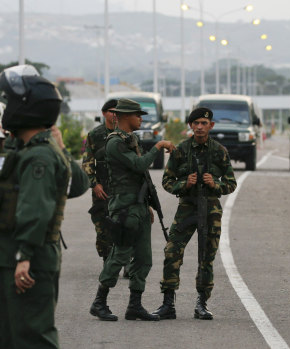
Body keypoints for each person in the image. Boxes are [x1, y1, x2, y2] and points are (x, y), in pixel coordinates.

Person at [0, 64, 87, 348]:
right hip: (2, 257)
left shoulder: (40, 156)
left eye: (11, 102)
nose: (7, 108)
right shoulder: (18, 149)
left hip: (26, 259)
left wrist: (23, 256)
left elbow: (35, 209)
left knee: (32, 338)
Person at [89, 98, 175, 322]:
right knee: (120, 255)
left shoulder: (131, 139)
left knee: (144, 258)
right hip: (124, 208)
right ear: (126, 117)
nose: (140, 119)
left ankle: (134, 305)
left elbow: (139, 176)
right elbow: (139, 165)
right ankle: (99, 302)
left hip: (137, 206)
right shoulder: (115, 142)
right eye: (138, 115)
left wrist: (147, 205)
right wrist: (158, 146)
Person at [153, 107, 237, 320]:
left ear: (211, 126)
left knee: (206, 258)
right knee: (172, 252)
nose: (200, 127)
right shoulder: (180, 150)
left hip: (210, 210)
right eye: (196, 123)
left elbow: (231, 183)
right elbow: (166, 181)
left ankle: (202, 303)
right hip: (187, 208)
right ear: (190, 126)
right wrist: (184, 184)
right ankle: (167, 303)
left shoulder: (219, 151)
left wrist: (215, 184)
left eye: (204, 123)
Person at [82, 99, 117, 261]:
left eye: (118, 111)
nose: (115, 114)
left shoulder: (126, 134)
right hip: (102, 190)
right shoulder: (95, 135)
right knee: (102, 227)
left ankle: (125, 262)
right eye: (111, 111)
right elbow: (87, 162)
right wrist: (94, 184)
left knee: (124, 226)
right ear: (104, 113)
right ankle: (107, 258)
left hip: (122, 189)